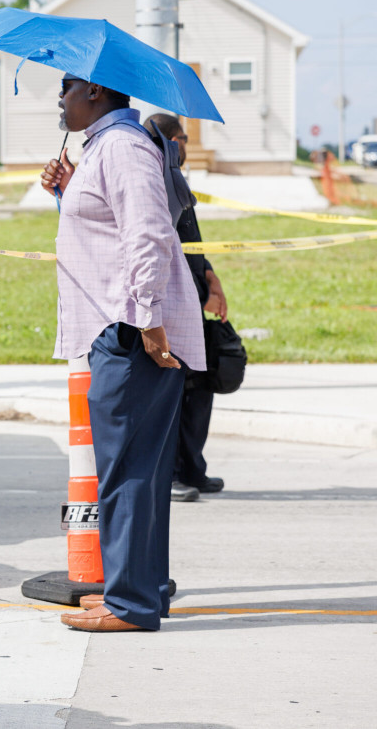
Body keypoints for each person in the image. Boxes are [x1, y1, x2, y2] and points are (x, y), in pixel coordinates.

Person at [40, 73, 204, 633]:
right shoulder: (105, 148)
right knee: (140, 469)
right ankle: (140, 590)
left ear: (95, 92)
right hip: (122, 325)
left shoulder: (124, 146)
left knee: (128, 470)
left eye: (65, 88)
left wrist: (149, 322)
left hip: (130, 329)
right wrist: (68, 191)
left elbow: (148, 235)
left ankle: (131, 605)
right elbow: (108, 226)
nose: (58, 99)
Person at [144, 113, 228, 503]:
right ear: (172, 141)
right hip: (172, 302)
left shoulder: (176, 179)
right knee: (173, 394)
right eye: (184, 141)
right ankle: (172, 475)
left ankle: (193, 467)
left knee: (200, 388)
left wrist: (210, 277)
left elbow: (191, 242)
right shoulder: (153, 182)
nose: (186, 149)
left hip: (195, 294)